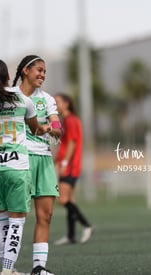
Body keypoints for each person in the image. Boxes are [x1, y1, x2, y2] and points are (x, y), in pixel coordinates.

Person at [0, 58, 50, 275]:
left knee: (2, 222)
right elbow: (35, 129)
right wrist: (47, 129)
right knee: (16, 224)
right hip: (17, 167)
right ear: (9, 76)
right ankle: (7, 271)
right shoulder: (23, 100)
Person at [11, 55, 61, 275]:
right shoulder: (10, 96)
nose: (42, 74)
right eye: (39, 70)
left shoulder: (47, 99)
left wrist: (51, 128)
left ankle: (38, 268)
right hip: (19, 160)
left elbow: (58, 128)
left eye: (45, 71)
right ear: (25, 70)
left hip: (44, 159)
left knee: (46, 215)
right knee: (16, 218)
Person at [53, 93, 93, 245]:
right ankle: (70, 235)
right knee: (69, 200)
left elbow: (71, 143)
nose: (55, 105)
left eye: (57, 102)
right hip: (69, 164)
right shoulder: (68, 120)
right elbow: (64, 145)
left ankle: (87, 225)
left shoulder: (70, 120)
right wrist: (55, 161)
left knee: (62, 200)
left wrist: (64, 163)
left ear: (67, 103)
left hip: (70, 166)